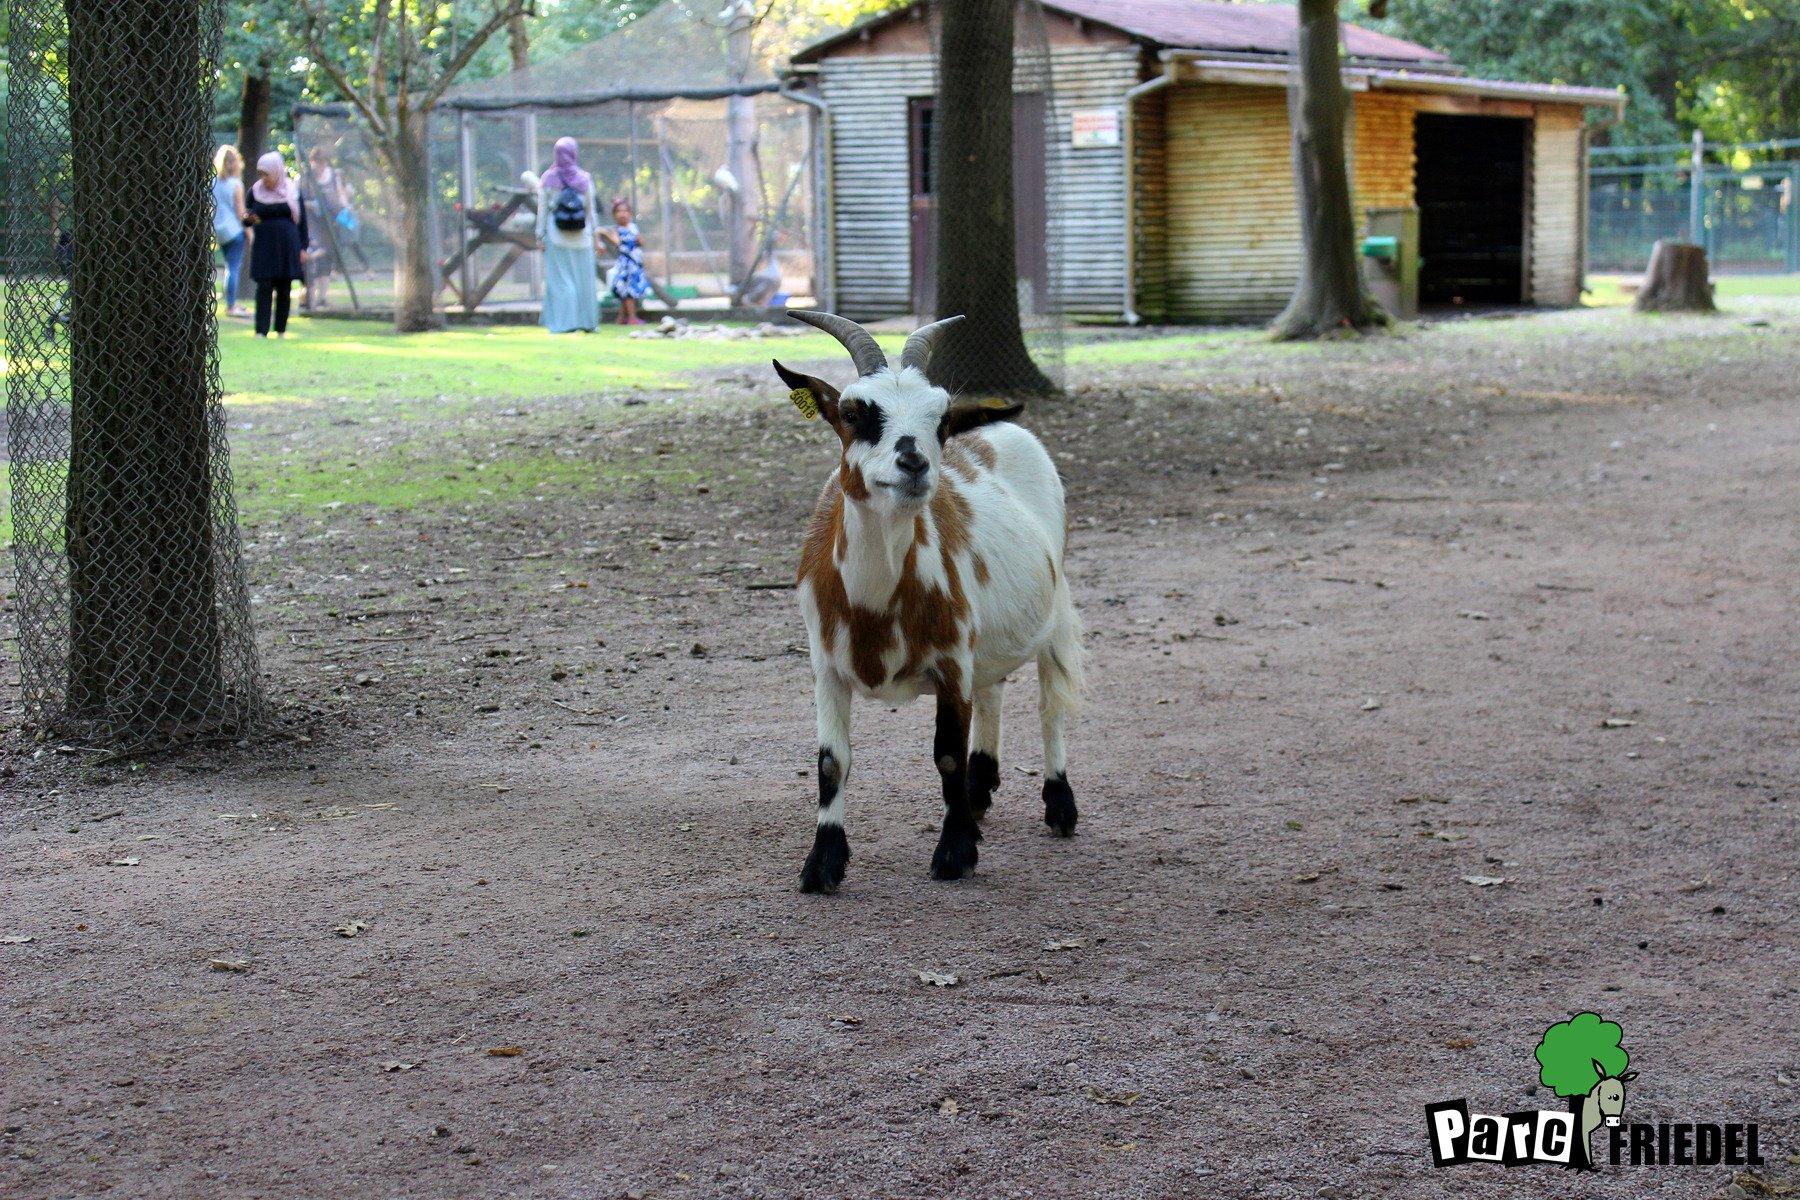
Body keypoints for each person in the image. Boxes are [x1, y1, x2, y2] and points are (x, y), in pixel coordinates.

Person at [535, 136, 600, 334]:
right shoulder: (585, 179)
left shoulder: (548, 179)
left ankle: (564, 323)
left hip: (557, 237)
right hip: (582, 238)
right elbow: (591, 211)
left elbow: (543, 211)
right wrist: (595, 235)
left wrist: (539, 235)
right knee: (584, 282)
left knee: (561, 282)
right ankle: (587, 322)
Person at [244, 151, 309, 338]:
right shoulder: (255, 191)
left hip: (288, 245)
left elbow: (302, 222)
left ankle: (281, 329)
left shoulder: (293, 191)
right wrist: (249, 219)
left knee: (284, 286)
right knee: (264, 286)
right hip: (265, 244)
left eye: (267, 174)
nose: (264, 179)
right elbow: (248, 217)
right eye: (261, 174)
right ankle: (261, 330)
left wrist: (303, 247)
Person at [211, 146, 249, 319]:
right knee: (233, 267)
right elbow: (241, 213)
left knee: (228, 267)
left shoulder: (213, 182)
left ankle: (231, 302)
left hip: (219, 230)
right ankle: (231, 305)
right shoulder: (236, 184)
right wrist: (253, 226)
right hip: (234, 230)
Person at [600, 198, 650, 325]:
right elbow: (616, 242)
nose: (622, 214)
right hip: (625, 265)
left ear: (630, 214)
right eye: (619, 211)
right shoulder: (616, 230)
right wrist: (605, 235)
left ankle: (621, 318)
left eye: (625, 211)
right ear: (614, 214)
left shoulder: (634, 228)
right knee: (627, 293)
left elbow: (641, 242)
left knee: (630, 292)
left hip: (635, 264)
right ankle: (632, 318)